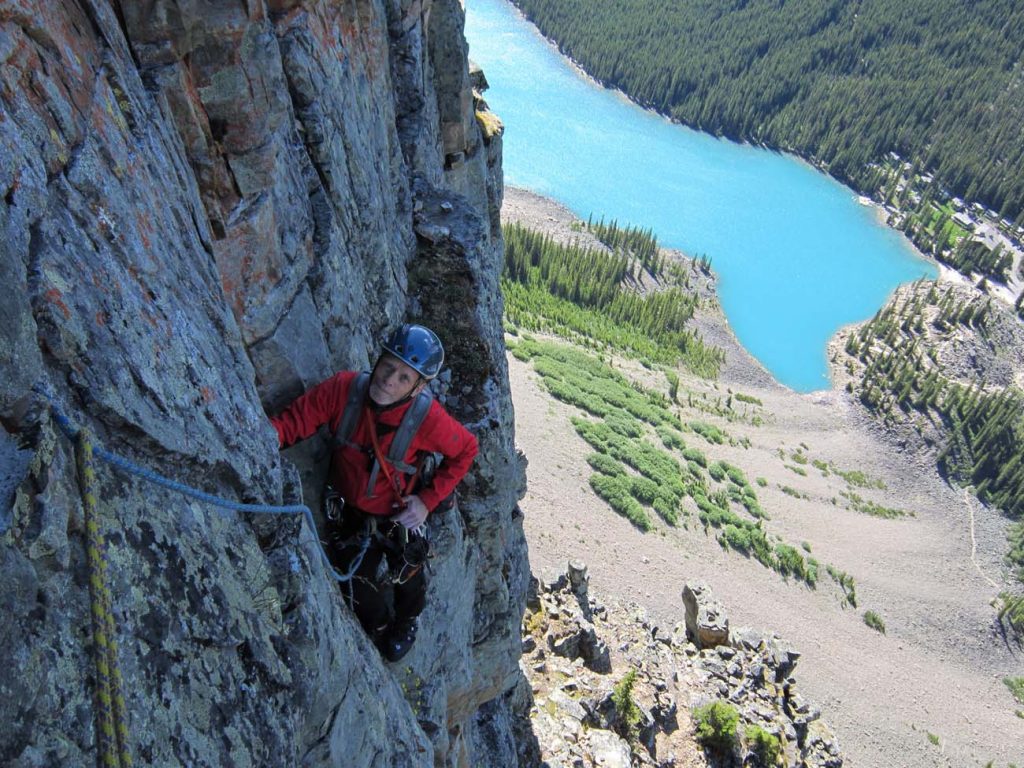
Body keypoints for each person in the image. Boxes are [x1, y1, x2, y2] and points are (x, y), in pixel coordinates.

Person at [270, 324, 478, 661]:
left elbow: (466, 450)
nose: (388, 380)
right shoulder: (344, 390)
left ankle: (407, 619)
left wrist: (426, 502)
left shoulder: (427, 420)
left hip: (397, 510)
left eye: (403, 378)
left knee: (408, 571)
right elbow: (295, 422)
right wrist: (265, 434)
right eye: (388, 367)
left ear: (418, 387)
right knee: (358, 588)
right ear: (378, 360)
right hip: (350, 508)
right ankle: (380, 626)